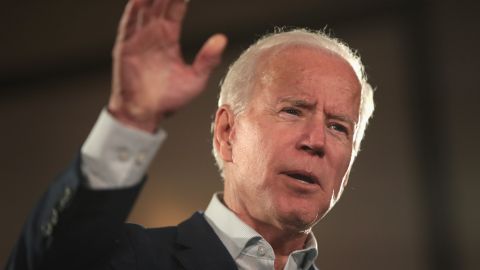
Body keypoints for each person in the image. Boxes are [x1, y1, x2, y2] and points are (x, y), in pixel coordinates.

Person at [6, 0, 374, 269]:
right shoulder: (128, 260)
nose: (316, 141)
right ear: (227, 132)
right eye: (293, 111)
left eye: (338, 127)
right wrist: (129, 121)